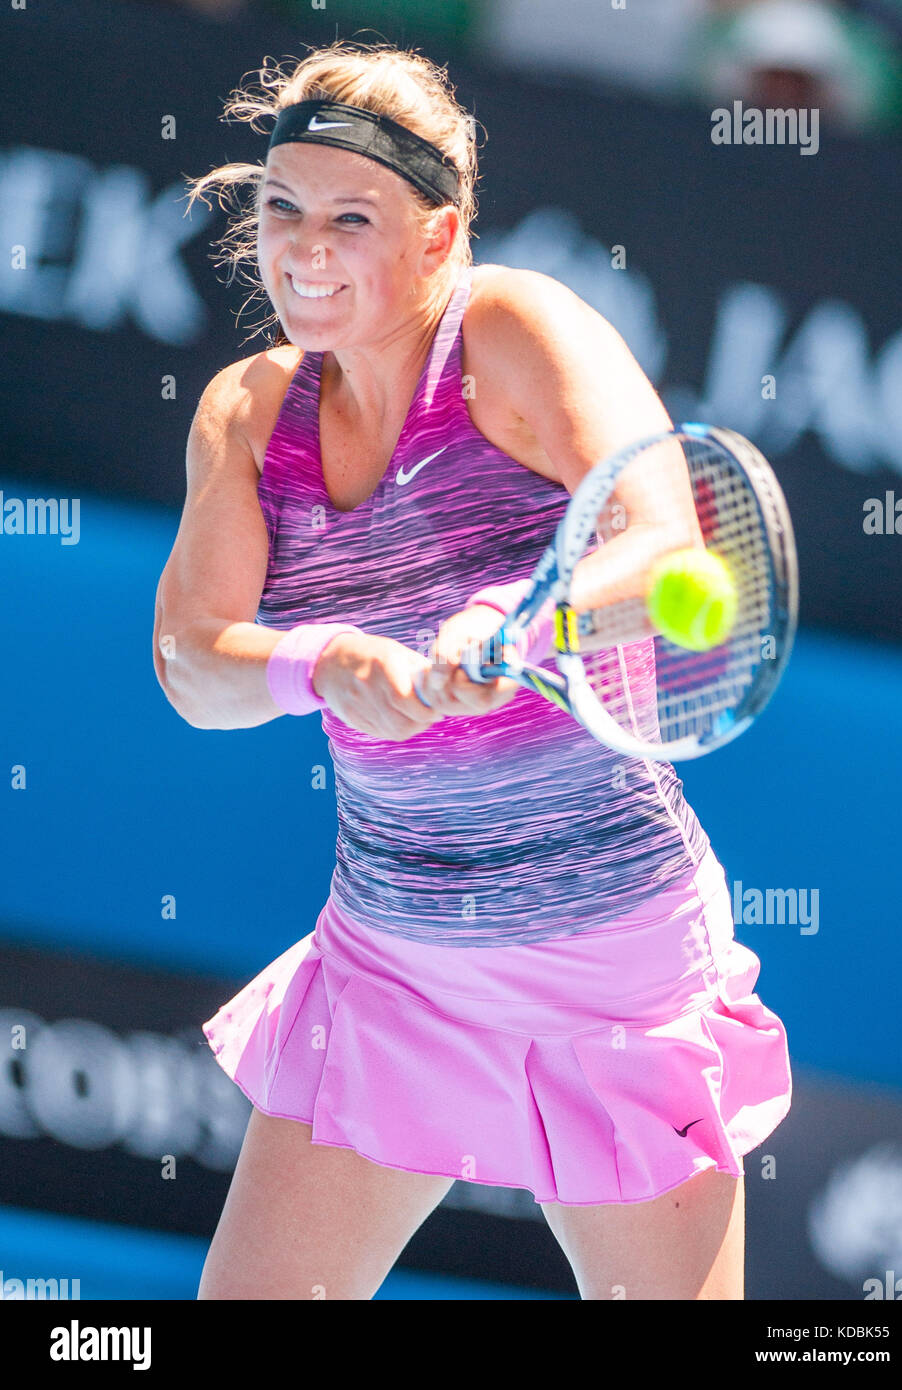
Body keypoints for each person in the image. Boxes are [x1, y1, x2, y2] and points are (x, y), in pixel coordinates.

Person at [153, 40, 791, 1301]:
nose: (306, 249)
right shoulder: (244, 410)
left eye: (352, 217)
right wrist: (325, 661)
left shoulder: (513, 328)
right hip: (391, 968)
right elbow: (189, 661)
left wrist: (520, 615)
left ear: (440, 238)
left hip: (612, 968)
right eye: (283, 209)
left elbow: (668, 538)